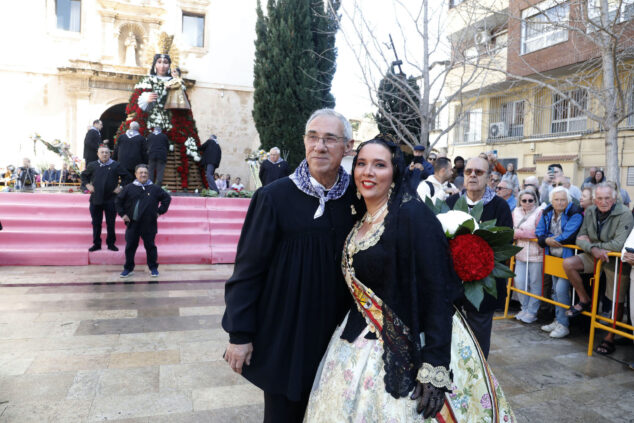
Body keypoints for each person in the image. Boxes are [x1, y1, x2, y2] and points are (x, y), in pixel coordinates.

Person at [304, 138, 515, 422]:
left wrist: (435, 368)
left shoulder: (412, 215)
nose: (368, 172)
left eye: (379, 164)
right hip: (358, 343)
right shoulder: (360, 218)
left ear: (395, 172)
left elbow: (438, 292)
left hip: (413, 344)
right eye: (362, 163)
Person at [222, 109, 359, 422]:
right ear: (304, 142)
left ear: (347, 147)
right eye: (313, 137)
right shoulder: (274, 197)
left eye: (330, 139)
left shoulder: (359, 197)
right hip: (289, 336)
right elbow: (248, 270)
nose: (319, 146)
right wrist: (239, 333)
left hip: (341, 338)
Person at [446, 157, 513, 358]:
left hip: (484, 283)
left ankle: (479, 381)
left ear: (489, 177)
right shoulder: (450, 203)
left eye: (479, 172)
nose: (472, 175)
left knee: (479, 339)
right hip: (452, 284)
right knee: (450, 335)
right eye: (468, 172)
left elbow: (503, 245)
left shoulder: (499, 207)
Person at [116, 51, 205, 189]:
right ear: (154, 64)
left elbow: (182, 105)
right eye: (159, 62)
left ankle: (178, 185)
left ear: (169, 65)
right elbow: (134, 105)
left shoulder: (175, 82)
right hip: (149, 122)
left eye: (165, 62)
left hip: (171, 123)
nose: (162, 65)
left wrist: (176, 86)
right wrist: (146, 99)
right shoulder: (147, 81)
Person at [563, 183, 633, 355]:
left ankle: (610, 337)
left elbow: (618, 244)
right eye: (600, 198)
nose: (603, 202)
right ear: (594, 200)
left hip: (616, 260)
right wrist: (593, 249)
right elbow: (580, 237)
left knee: (616, 299)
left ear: (615, 198)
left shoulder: (624, 213)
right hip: (595, 254)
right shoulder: (590, 211)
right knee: (568, 264)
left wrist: (592, 245)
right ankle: (584, 299)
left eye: (607, 198)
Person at [535, 187, 584, 338]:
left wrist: (547, 240)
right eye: (556, 199)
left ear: (568, 200)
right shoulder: (547, 211)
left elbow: (568, 235)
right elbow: (539, 231)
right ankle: (558, 319)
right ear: (551, 201)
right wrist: (545, 240)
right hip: (552, 257)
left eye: (563, 199)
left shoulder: (575, 212)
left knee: (562, 290)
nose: (560, 202)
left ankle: (564, 325)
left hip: (567, 258)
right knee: (555, 291)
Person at [115, 164, 171, 278]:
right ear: (136, 174)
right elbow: (118, 201)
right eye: (140, 172)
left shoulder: (155, 188)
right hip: (133, 223)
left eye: (145, 172)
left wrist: (160, 211)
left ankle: (153, 268)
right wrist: (122, 214)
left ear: (148, 174)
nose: (143, 174)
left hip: (149, 224)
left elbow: (167, 198)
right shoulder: (129, 187)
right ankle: (128, 268)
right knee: (130, 246)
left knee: (150, 246)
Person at [81, 145, 132, 252]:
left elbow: (127, 177)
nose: (104, 154)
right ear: (98, 154)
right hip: (96, 199)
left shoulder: (116, 165)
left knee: (110, 222)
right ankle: (96, 244)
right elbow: (84, 176)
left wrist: (121, 187)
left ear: (110, 154)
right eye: (102, 152)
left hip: (111, 199)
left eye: (107, 152)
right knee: (96, 222)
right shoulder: (92, 165)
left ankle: (111, 243)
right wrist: (87, 185)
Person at [512, 189, 544, 324]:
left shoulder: (540, 212)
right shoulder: (515, 212)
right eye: (524, 200)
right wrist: (523, 232)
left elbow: (536, 233)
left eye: (530, 200)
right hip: (520, 253)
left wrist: (518, 232)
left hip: (536, 254)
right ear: (520, 201)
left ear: (535, 200)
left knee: (535, 284)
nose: (527, 203)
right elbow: (510, 230)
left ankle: (532, 312)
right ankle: (524, 308)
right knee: (519, 282)